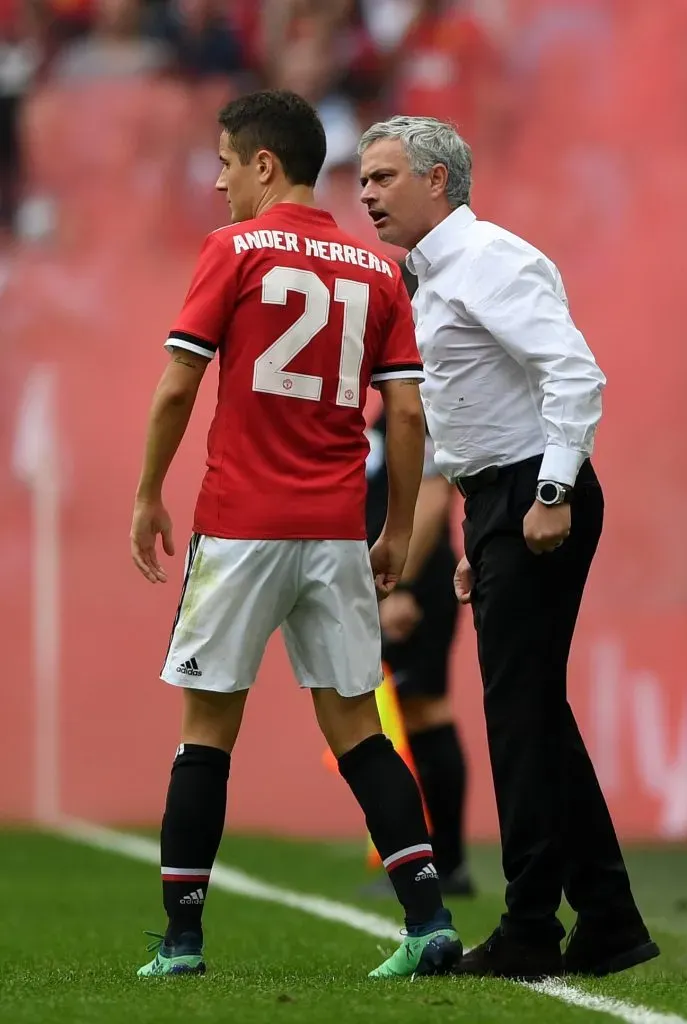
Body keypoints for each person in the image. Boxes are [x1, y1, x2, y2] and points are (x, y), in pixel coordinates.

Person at [129, 91, 462, 980]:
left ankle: (182, 942)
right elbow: (406, 412)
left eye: (226, 163)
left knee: (207, 731)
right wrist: (394, 530)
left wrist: (147, 494)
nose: (219, 182)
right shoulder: (380, 272)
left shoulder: (232, 249)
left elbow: (177, 385)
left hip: (242, 525)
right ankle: (429, 920)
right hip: (335, 531)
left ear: (265, 164)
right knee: (360, 730)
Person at [358, 115, 659, 981]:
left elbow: (574, 372)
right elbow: (478, 414)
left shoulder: (488, 259)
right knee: (535, 715)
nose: (367, 194)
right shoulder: (434, 275)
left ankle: (532, 926)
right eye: (364, 179)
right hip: (501, 498)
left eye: (383, 177)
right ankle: (607, 918)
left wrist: (550, 492)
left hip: (534, 490)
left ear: (438, 180)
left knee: (520, 717)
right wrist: (478, 525)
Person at [363, 262, 472, 898]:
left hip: (413, 585)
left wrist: (398, 587)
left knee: (425, 711)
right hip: (395, 580)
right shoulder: (400, 392)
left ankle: (444, 864)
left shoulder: (426, 393)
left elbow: (433, 497)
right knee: (412, 713)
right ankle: (438, 862)